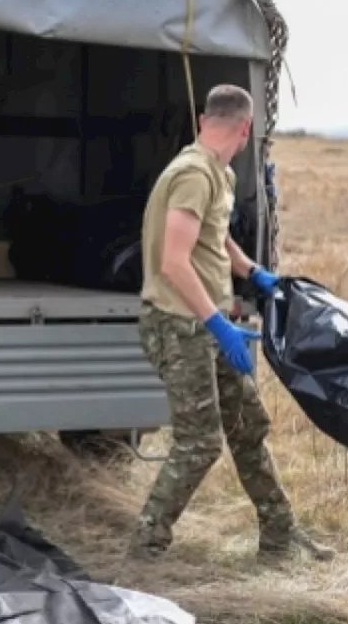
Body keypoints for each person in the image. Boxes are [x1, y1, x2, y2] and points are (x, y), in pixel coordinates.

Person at [129, 84, 334, 563]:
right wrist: (218, 325)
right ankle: (145, 549)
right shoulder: (192, 175)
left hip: (207, 322)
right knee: (199, 443)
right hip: (180, 327)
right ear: (245, 130)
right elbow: (173, 263)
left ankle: (280, 536)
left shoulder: (214, 172)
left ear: (204, 120)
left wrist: (252, 273)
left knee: (248, 427)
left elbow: (213, 238)